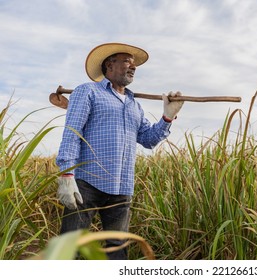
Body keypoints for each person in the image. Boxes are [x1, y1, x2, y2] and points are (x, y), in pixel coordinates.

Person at [55, 42, 184, 259]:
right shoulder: (87, 92)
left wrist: (167, 116)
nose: (132, 67)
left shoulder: (134, 105)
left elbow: (148, 139)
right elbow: (72, 132)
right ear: (109, 65)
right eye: (126, 61)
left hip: (122, 186)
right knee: (71, 246)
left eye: (134, 64)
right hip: (87, 182)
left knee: (117, 247)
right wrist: (67, 174)